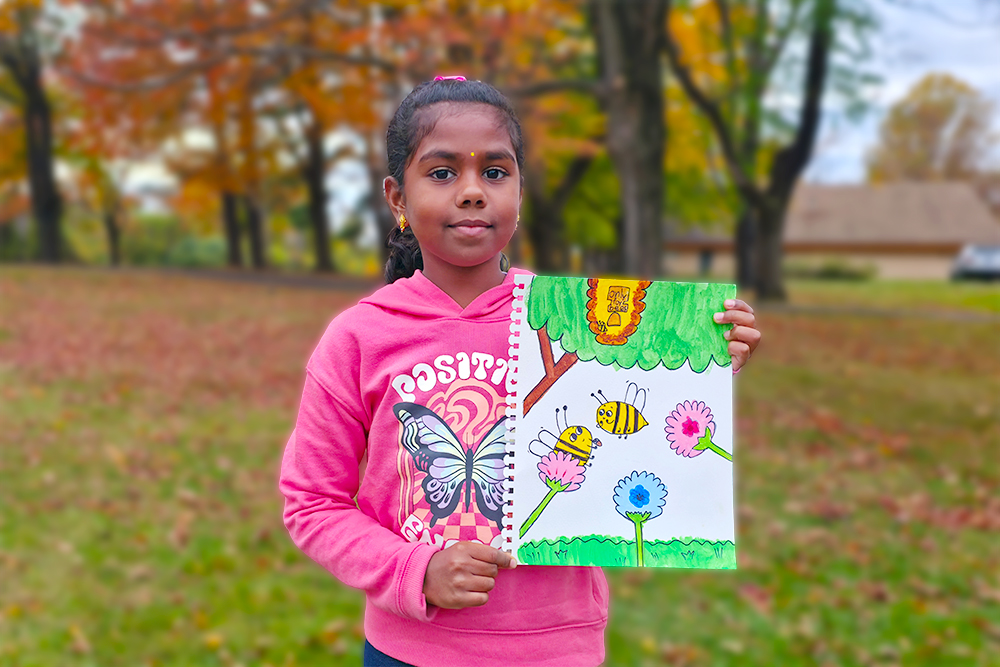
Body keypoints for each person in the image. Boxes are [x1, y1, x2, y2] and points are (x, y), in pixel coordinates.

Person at [279, 77, 761, 667]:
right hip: (412, 652)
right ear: (397, 198)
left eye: (495, 173)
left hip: (559, 648)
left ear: (521, 191)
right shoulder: (358, 338)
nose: (473, 192)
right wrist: (416, 569)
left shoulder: (571, 322)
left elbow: (628, 428)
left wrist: (706, 366)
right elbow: (311, 500)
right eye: (441, 172)